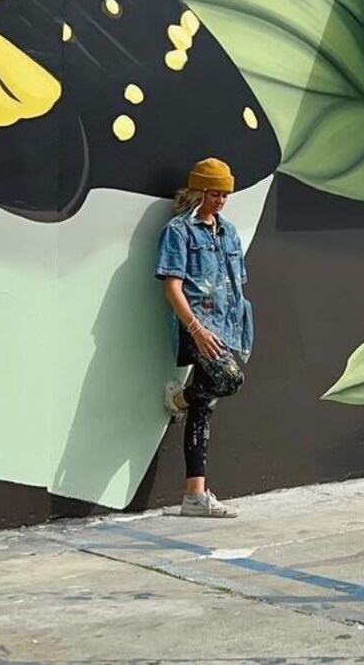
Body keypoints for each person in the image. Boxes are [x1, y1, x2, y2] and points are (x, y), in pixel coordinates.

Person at [155, 157, 254, 519]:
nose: (221, 201)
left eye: (225, 194)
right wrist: (195, 329)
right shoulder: (179, 231)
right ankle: (178, 398)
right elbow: (172, 288)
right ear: (198, 191)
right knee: (230, 379)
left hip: (225, 327)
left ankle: (194, 496)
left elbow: (236, 286)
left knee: (205, 407)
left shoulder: (228, 232)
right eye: (215, 193)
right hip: (198, 327)